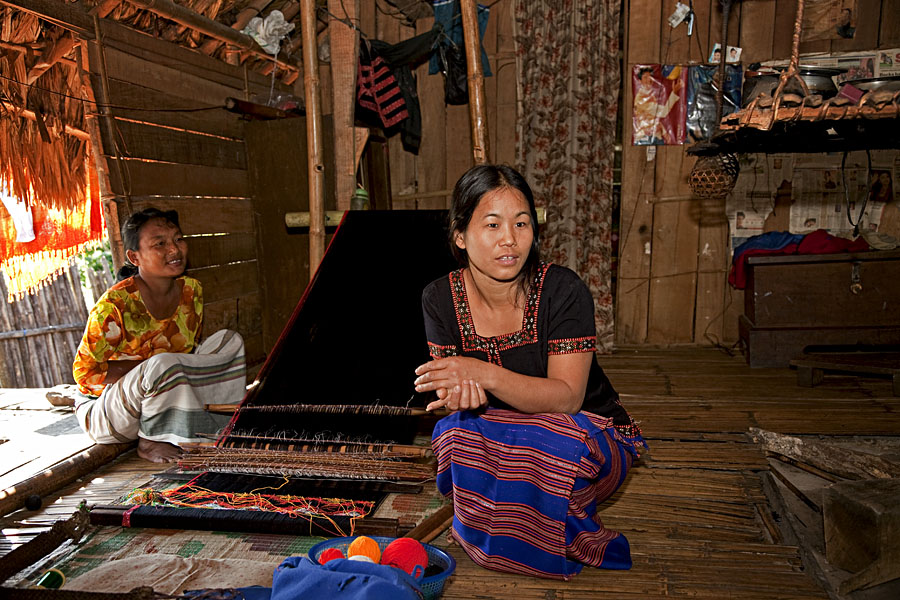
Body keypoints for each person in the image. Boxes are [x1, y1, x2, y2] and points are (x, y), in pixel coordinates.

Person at [414, 165, 646, 580]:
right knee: (452, 433)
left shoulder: (563, 291)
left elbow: (568, 399)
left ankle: (562, 538)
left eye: (522, 223)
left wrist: (482, 374)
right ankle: (494, 528)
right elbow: (448, 394)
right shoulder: (439, 298)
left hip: (586, 434)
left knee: (550, 443)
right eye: (492, 224)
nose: (510, 239)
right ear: (460, 236)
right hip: (504, 429)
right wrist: (457, 397)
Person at [72, 208, 246, 463]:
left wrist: (165, 371)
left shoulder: (191, 291)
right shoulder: (114, 306)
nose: (174, 249)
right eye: (160, 244)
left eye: (178, 239)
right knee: (163, 363)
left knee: (230, 341)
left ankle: (214, 423)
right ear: (135, 256)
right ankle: (151, 441)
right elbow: (85, 375)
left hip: (166, 393)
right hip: (106, 413)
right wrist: (148, 371)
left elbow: (186, 353)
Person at [633, 66, 682, 145]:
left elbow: (654, 117)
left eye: (650, 77)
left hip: (654, 137)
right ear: (639, 81)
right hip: (646, 139)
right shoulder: (641, 99)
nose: (649, 80)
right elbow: (663, 112)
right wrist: (674, 92)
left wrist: (664, 133)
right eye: (645, 77)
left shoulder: (649, 95)